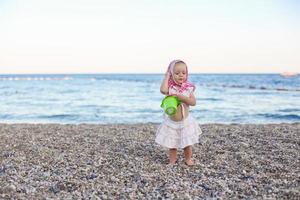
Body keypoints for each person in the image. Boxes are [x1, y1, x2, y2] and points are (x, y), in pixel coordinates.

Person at [155, 59, 202, 166]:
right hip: (172, 123)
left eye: (183, 73)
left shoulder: (188, 89)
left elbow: (193, 102)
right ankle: (172, 160)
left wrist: (183, 98)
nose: (181, 75)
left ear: (187, 74)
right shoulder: (171, 88)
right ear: (171, 74)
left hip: (185, 121)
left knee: (187, 144)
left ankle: (188, 159)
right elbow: (162, 90)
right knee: (172, 145)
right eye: (176, 73)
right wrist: (166, 77)